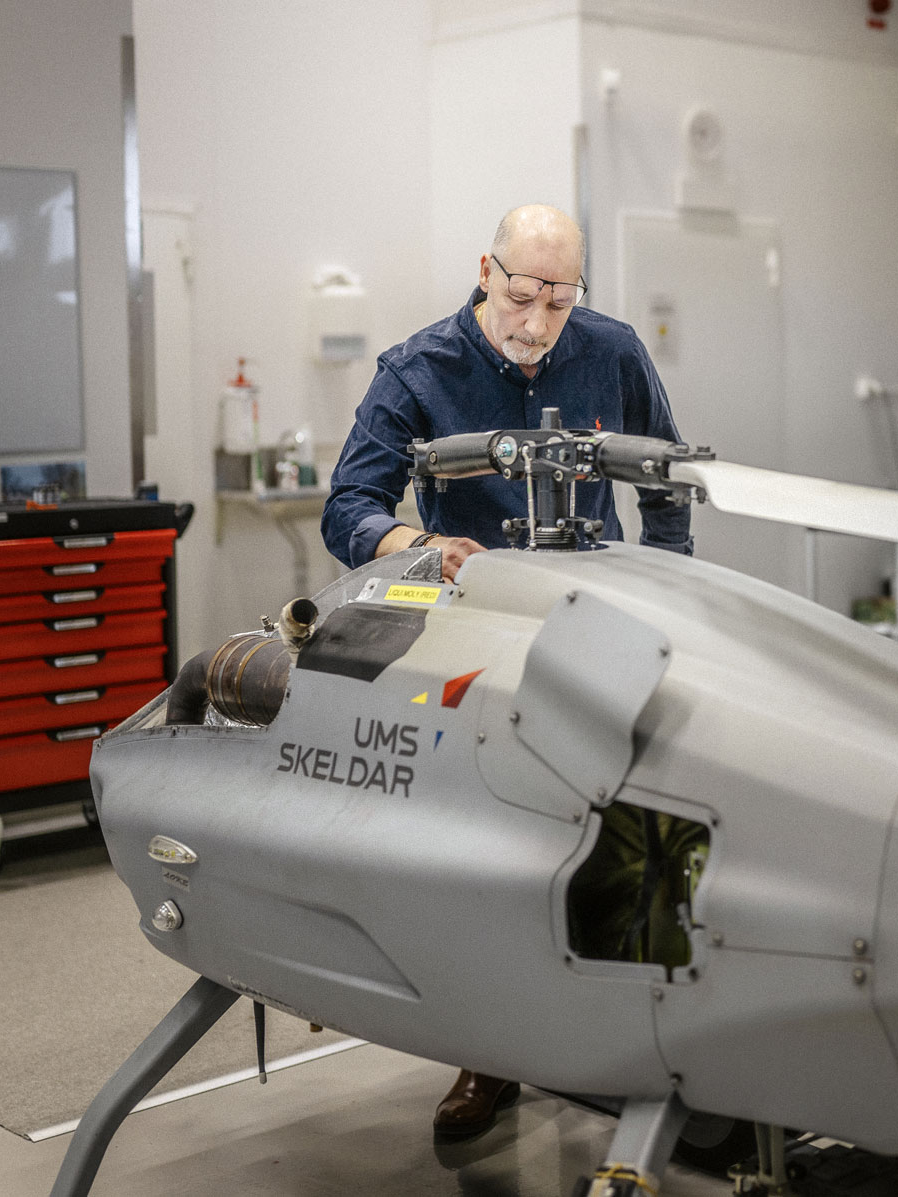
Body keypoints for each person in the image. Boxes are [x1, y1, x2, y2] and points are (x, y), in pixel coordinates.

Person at [322, 203, 692, 1141]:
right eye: (522, 296)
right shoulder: (416, 371)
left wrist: (672, 594)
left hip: (596, 630)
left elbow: (665, 483)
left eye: (559, 302)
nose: (537, 323)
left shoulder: (612, 352)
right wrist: (422, 543)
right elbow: (348, 510)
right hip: (474, 642)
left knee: (629, 824)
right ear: (486, 271)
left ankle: (645, 1046)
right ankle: (488, 1055)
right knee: (488, 850)